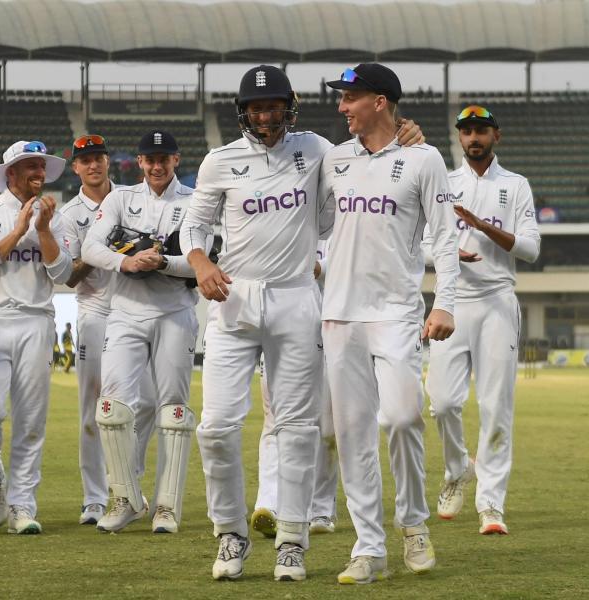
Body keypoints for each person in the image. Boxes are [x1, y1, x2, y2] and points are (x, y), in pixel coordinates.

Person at [181, 65, 424, 581]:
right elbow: (194, 223)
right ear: (243, 112)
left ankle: (293, 538)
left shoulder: (317, 150)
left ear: (288, 109)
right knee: (216, 427)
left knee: (296, 428)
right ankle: (229, 532)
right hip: (234, 299)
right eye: (256, 107)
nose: (265, 116)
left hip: (296, 298)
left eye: (273, 107)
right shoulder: (219, 161)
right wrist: (201, 262)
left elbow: (373, 155)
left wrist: (408, 136)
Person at [318, 63, 459, 584]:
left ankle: (414, 523)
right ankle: (368, 547)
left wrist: (445, 303)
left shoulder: (423, 158)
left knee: (402, 418)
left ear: (380, 101)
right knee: (353, 433)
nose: (341, 107)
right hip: (340, 314)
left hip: (397, 312)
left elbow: (444, 238)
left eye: (350, 98)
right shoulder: (332, 158)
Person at [424, 105, 540, 535]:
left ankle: (491, 505)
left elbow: (529, 249)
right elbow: (419, 244)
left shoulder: (516, 185)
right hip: (451, 300)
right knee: (442, 403)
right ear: (459, 138)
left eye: (481, 130)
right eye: (467, 131)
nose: (473, 137)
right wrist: (447, 252)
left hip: (496, 301)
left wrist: (481, 226)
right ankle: (458, 468)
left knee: (496, 407)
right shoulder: (444, 183)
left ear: (497, 136)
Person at [82, 130, 204, 535]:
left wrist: (164, 263)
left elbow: (204, 261)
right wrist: (128, 263)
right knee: (111, 406)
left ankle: (167, 507)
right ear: (138, 162)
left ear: (176, 160)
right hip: (127, 312)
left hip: (175, 311)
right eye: (149, 159)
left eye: (164, 158)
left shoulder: (194, 202)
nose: (156, 165)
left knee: (173, 408)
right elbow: (90, 248)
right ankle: (126, 498)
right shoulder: (120, 199)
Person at [0, 140, 72, 534]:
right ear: (10, 173)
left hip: (35, 320)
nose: (38, 173)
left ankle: (22, 504)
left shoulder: (52, 215)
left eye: (41, 166)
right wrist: (16, 232)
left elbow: (62, 275)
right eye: (30, 166)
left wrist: (42, 230)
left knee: (31, 419)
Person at [59, 134, 158, 525]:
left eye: (99, 158)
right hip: (96, 310)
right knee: (92, 409)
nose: (94, 165)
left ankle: (128, 483)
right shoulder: (70, 214)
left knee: (147, 403)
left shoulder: (132, 200)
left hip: (137, 307)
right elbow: (68, 275)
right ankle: (95, 498)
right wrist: (105, 251)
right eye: (86, 161)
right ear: (77, 168)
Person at [252, 240, 340, 540]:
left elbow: (354, 263)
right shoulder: (278, 212)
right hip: (282, 326)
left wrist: (322, 268)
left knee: (327, 426)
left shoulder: (339, 214)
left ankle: (320, 508)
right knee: (274, 418)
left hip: (332, 324)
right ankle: (269, 504)